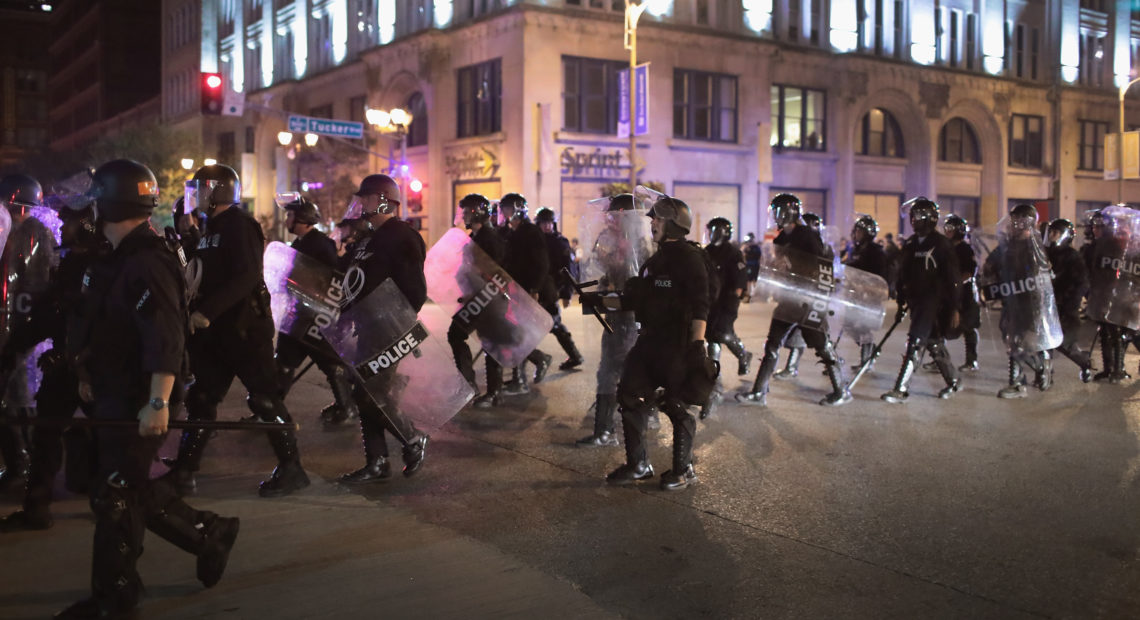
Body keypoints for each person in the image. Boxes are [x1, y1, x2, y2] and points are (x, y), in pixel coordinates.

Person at [56, 159, 238, 619]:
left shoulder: (147, 261)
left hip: (141, 400)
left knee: (115, 496)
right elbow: (101, 326)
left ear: (110, 203)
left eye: (95, 201)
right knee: (128, 490)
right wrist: (84, 375)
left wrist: (158, 401)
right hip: (115, 396)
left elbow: (166, 337)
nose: (88, 212)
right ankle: (207, 533)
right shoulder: (114, 258)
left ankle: (114, 598)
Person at [162, 163, 309, 497]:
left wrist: (206, 313)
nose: (194, 195)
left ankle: (292, 468)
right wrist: (183, 235)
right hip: (217, 332)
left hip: (244, 329)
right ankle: (184, 471)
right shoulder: (210, 227)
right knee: (202, 398)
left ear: (216, 191)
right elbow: (199, 271)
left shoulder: (240, 226)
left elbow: (245, 276)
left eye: (200, 188)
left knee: (264, 399)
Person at [583, 195, 710, 491]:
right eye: (653, 218)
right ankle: (638, 464)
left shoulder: (690, 259)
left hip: (677, 343)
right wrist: (599, 301)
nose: (652, 222)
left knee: (676, 403)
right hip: (649, 341)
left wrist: (697, 345)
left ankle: (683, 469)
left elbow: (701, 304)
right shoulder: (655, 260)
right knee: (628, 395)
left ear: (674, 224)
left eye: (658, 219)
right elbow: (634, 299)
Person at [0, 196, 108, 532]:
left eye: (69, 221)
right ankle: (36, 508)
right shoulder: (72, 262)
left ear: (86, 224)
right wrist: (14, 349)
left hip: (96, 369)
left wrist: (69, 355)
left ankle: (120, 505)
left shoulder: (103, 264)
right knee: (46, 434)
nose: (62, 227)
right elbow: (52, 312)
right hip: (66, 365)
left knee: (113, 440)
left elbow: (101, 321)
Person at [337, 173, 430, 482]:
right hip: (366, 328)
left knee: (372, 393)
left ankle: (413, 439)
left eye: (365, 198)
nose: (360, 203)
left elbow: (415, 290)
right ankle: (376, 462)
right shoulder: (367, 238)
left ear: (381, 200)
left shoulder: (402, 236)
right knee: (364, 392)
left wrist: (397, 323)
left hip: (389, 331)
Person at [737, 194, 851, 407]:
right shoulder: (781, 238)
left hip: (808, 301)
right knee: (771, 344)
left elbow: (822, 268)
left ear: (787, 212)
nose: (775, 217)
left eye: (778, 211)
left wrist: (819, 299)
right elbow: (779, 265)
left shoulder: (807, 235)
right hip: (789, 299)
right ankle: (758, 392)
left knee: (821, 345)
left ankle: (841, 390)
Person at [271, 194, 358, 427]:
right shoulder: (300, 244)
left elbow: (331, 278)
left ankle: (346, 406)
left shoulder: (320, 244)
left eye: (291, 215)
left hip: (315, 316)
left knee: (328, 361)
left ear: (304, 219)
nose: (287, 219)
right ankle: (271, 408)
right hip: (299, 314)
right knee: (285, 361)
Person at [577, 194, 651, 447]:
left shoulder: (639, 244)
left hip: (628, 315)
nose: (609, 219)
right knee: (615, 369)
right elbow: (600, 268)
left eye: (614, 215)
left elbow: (639, 280)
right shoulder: (614, 239)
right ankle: (624, 418)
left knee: (612, 370)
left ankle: (605, 429)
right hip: (615, 311)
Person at [0, 173, 54, 493]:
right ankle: (20, 460)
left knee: (23, 399)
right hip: (12, 323)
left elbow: (39, 283)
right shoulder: (10, 231)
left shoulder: (36, 234)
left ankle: (29, 463)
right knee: (9, 399)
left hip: (25, 328)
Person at [881, 198, 962, 404]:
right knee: (933, 343)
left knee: (915, 342)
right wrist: (900, 299)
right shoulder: (911, 244)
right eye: (912, 216)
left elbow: (953, 278)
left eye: (917, 216)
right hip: (916, 302)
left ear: (928, 218)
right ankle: (953, 381)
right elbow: (903, 273)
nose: (913, 220)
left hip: (934, 301)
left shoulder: (941, 244)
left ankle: (900, 389)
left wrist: (954, 307)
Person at [984, 205, 1056, 398]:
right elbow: (991, 263)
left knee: (1018, 342)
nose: (1013, 225)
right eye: (1013, 220)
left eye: (1018, 221)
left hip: (1029, 301)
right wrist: (989, 275)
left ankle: (1018, 382)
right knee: (1010, 339)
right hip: (1011, 298)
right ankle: (1040, 367)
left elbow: (1044, 275)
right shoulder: (1008, 245)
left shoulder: (1035, 246)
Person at [447, 193, 509, 408]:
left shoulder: (490, 239)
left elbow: (493, 270)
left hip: (490, 298)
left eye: (466, 212)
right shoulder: (475, 238)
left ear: (477, 213)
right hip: (477, 297)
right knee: (456, 333)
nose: (463, 216)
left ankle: (494, 392)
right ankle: (469, 384)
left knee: (490, 341)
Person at [497, 193, 554, 394]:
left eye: (506, 210)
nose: (503, 214)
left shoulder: (530, 232)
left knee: (516, 333)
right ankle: (537, 361)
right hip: (512, 290)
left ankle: (520, 380)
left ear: (516, 210)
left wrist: (534, 290)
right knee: (514, 334)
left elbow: (541, 264)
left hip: (527, 291)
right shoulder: (510, 233)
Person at [772, 211, 836, 382]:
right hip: (792, 297)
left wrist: (820, 298)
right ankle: (790, 369)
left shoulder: (820, 246)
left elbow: (824, 273)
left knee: (820, 340)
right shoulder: (786, 240)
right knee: (791, 340)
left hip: (810, 299)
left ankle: (837, 380)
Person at [701, 217, 752, 418]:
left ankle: (741, 355)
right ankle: (716, 379)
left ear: (722, 232)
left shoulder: (732, 252)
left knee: (722, 334)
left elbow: (740, 278)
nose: (711, 234)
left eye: (713, 230)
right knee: (713, 337)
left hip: (727, 302)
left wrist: (736, 296)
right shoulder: (707, 252)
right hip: (711, 302)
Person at [535, 207, 584, 371]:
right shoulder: (536, 241)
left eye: (549, 223)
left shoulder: (560, 242)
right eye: (543, 223)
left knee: (554, 324)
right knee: (550, 325)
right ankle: (574, 356)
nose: (547, 226)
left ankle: (574, 356)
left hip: (552, 290)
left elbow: (569, 269)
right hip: (537, 290)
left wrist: (567, 293)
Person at [1045, 218, 1092, 382]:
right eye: (1050, 232)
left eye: (1055, 232)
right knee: (1044, 340)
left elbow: (1081, 283)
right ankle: (1045, 374)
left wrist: (1069, 303)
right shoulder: (1045, 253)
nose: (1051, 236)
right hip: (1046, 305)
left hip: (1064, 307)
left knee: (1065, 345)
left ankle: (1085, 363)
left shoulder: (1073, 257)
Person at [934, 215, 981, 372]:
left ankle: (971, 360)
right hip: (946, 293)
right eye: (946, 229)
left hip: (964, 294)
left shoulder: (965, 249)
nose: (947, 232)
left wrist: (957, 282)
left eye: (950, 230)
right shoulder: (945, 248)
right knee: (939, 326)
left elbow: (970, 271)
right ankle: (939, 359)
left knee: (968, 327)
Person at [844, 215, 888, 370]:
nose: (856, 234)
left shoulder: (876, 252)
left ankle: (866, 361)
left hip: (869, 296)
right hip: (855, 295)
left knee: (863, 326)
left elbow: (879, 275)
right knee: (848, 324)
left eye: (860, 231)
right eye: (856, 231)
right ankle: (871, 350)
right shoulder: (856, 249)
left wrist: (870, 289)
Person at [742, 232, 762, 302]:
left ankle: (752, 295)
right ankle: (750, 295)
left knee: (752, 280)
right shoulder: (747, 246)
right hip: (752, 265)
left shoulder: (755, 247)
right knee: (750, 280)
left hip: (752, 265)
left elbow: (759, 255)